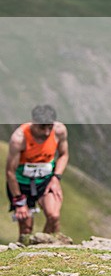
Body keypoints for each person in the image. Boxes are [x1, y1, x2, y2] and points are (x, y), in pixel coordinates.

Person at [5, 104, 70, 243]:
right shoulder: (19, 139)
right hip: (22, 185)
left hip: (45, 181)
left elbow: (64, 155)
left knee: (54, 216)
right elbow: (10, 172)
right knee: (26, 228)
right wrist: (19, 202)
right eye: (42, 127)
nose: (47, 132)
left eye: (49, 127)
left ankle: (45, 249)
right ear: (33, 122)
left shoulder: (59, 131)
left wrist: (56, 178)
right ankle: (23, 257)